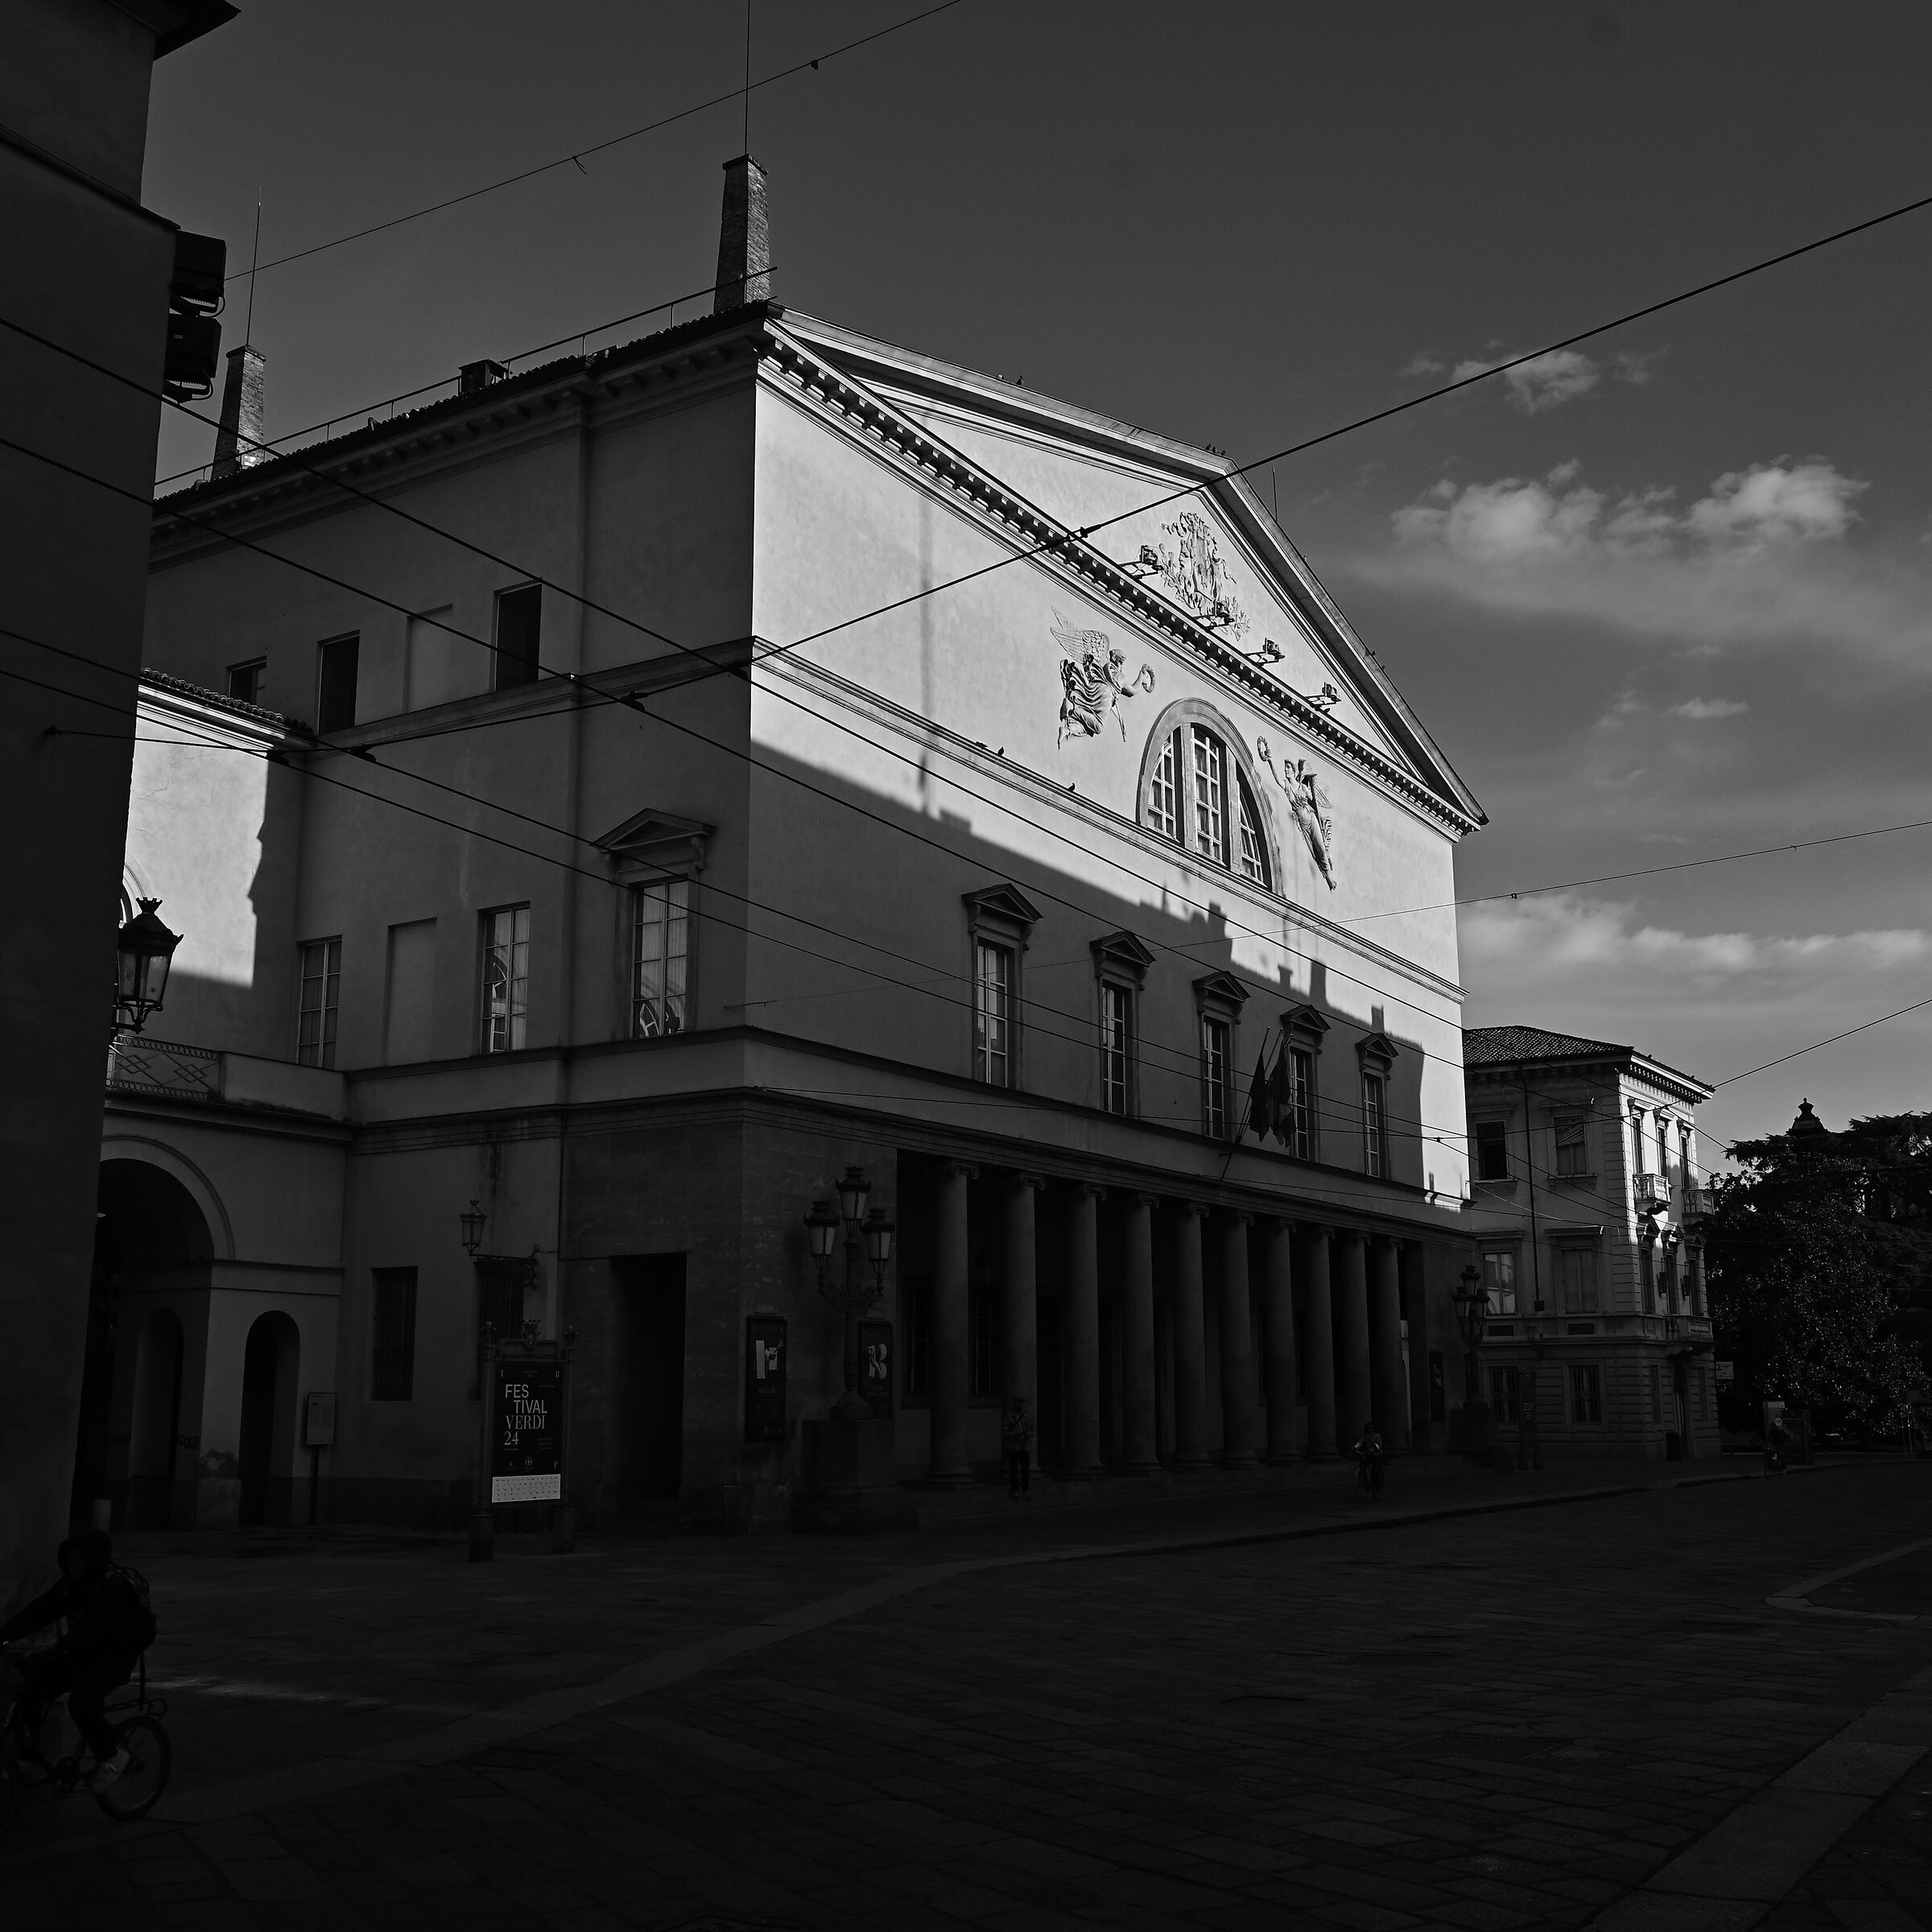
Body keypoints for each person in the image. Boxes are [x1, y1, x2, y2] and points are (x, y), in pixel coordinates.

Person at [1, 1530, 145, 1789]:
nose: (72, 1564)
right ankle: (31, 1762)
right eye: (68, 1559)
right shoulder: (71, 1584)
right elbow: (41, 1611)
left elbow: (99, 1620)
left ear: (94, 1560)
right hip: (80, 1653)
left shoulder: (113, 1584)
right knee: (31, 1688)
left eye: (79, 1559)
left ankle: (113, 1756)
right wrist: (4, 1636)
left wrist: (70, 1641)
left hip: (114, 1657)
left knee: (82, 1704)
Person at [1002, 1397, 1036, 1501]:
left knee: (1025, 1470)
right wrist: (1015, 1434)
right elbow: (1004, 1432)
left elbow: (1032, 1431)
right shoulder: (1009, 1418)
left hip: (1024, 1447)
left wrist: (1028, 1434)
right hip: (1013, 1447)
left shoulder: (1027, 1417)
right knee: (1013, 1470)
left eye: (1022, 1403)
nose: (1020, 1405)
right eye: (1018, 1403)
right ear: (1014, 1405)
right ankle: (1015, 1491)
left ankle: (1025, 1491)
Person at [1355, 1424, 1385, 1500]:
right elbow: (1360, 1442)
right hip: (1369, 1455)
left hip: (1377, 1455)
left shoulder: (1377, 1437)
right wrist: (1355, 1447)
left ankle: (1377, 1490)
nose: (1370, 1430)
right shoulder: (1365, 1436)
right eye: (1368, 1428)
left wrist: (1374, 1447)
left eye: (1371, 1428)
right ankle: (1365, 1481)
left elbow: (1379, 1446)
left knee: (1375, 1472)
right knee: (1363, 1465)